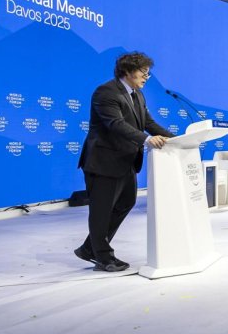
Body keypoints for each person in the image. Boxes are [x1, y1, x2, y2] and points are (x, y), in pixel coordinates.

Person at [75, 52, 175, 272]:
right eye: (143, 72)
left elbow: (148, 122)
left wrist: (177, 140)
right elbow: (115, 124)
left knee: (126, 202)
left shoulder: (137, 95)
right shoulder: (106, 92)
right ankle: (103, 257)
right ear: (128, 71)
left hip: (126, 160)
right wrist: (147, 139)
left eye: (148, 72)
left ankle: (89, 248)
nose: (147, 77)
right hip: (104, 161)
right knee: (101, 211)